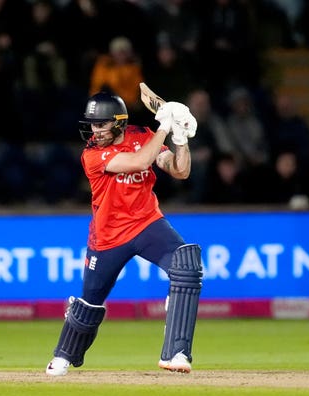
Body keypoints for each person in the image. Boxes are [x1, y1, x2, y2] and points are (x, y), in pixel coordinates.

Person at [45, 92, 203, 376]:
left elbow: (179, 171)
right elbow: (140, 162)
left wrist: (180, 139)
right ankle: (63, 355)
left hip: (147, 223)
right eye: (92, 125)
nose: (95, 131)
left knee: (187, 265)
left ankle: (176, 353)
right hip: (108, 236)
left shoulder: (143, 134)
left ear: (118, 123)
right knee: (89, 305)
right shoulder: (92, 155)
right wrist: (165, 126)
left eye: (101, 124)